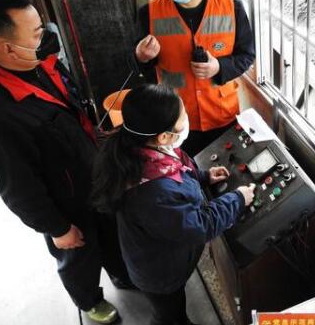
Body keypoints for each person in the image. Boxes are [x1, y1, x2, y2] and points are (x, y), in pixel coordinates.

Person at [0, 0, 132, 324]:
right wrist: (57, 228)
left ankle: (120, 272)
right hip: (66, 204)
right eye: (36, 33)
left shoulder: (44, 65)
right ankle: (89, 301)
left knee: (111, 234)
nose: (44, 38)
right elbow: (18, 188)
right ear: (7, 48)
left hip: (95, 175)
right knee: (78, 256)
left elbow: (75, 111)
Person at [91, 83, 256, 325]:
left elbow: (178, 172)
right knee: (170, 316)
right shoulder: (152, 194)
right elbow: (200, 226)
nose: (186, 120)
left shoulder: (145, 148)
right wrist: (238, 199)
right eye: (183, 118)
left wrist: (204, 176)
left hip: (161, 255)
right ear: (164, 135)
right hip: (159, 274)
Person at [134, 0, 255, 157]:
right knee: (186, 173)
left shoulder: (232, 8)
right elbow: (141, 67)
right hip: (177, 121)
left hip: (222, 115)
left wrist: (219, 67)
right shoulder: (149, 13)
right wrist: (141, 56)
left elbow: (246, 55)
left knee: (226, 168)